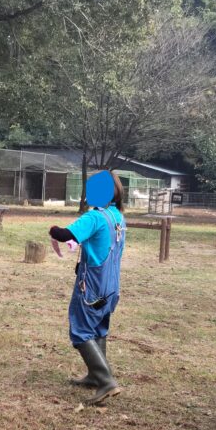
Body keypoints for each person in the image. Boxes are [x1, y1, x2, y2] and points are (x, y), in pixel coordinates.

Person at [48, 170, 127, 405]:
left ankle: (106, 382)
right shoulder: (117, 217)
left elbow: (65, 234)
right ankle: (95, 375)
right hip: (111, 286)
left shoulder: (93, 218)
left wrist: (52, 229)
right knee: (99, 328)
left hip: (91, 285)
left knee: (81, 330)